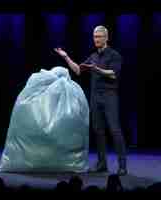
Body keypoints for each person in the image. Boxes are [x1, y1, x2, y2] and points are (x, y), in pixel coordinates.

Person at [54, 25, 127, 176]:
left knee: (115, 130)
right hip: (95, 97)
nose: (97, 39)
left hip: (110, 97)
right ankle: (102, 164)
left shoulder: (114, 55)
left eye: (99, 36)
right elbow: (78, 70)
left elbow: (113, 74)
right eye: (95, 37)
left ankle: (122, 165)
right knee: (98, 131)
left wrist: (97, 69)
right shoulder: (93, 56)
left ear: (106, 38)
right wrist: (65, 56)